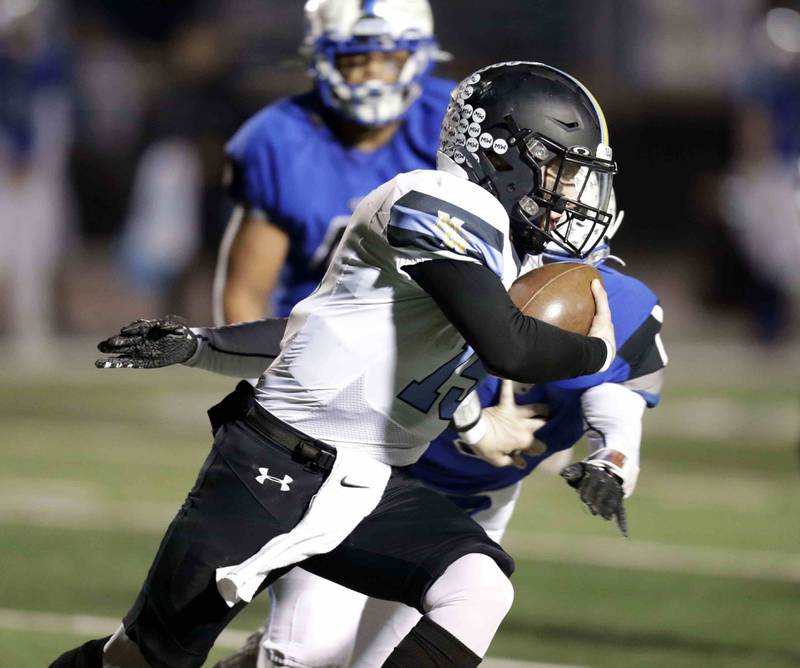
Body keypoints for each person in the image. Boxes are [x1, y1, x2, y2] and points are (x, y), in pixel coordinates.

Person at [52, 61, 619, 668]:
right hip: (270, 473)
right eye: (555, 165)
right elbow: (510, 347)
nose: (565, 188)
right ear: (499, 152)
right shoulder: (434, 199)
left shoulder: (501, 250)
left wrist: (198, 343)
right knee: (139, 662)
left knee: (477, 588)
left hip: (370, 482)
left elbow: (313, 334)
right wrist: (598, 351)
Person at [212, 202, 668, 668]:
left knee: (390, 658)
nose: (559, 213)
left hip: (471, 506)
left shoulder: (622, 305)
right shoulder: (454, 257)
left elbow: (616, 403)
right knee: (304, 655)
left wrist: (610, 462)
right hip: (362, 478)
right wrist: (473, 422)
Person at [214, 0, 453, 325]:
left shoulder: (456, 121)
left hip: (441, 339)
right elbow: (246, 293)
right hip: (319, 344)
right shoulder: (278, 138)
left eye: (390, 60)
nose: (373, 75)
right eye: (355, 60)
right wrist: (258, 370)